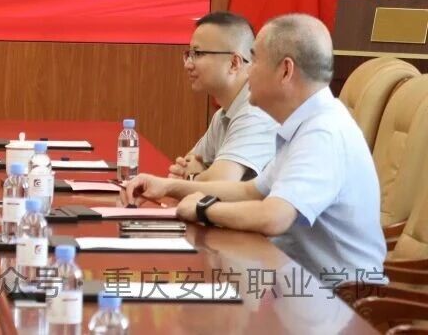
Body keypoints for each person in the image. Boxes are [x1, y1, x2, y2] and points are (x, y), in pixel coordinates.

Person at [122, 14, 386, 282]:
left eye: (255, 60)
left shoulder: (323, 132)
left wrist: (203, 209)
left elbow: (273, 216)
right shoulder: (303, 123)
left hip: (339, 296)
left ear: (285, 71)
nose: (247, 71)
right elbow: (251, 191)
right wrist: (168, 187)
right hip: (294, 281)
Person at [168, 11, 276, 181]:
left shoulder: (256, 112)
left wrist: (193, 177)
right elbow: (187, 164)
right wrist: (195, 173)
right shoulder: (223, 114)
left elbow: (222, 181)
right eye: (189, 54)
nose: (188, 64)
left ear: (234, 63)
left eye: (198, 54)